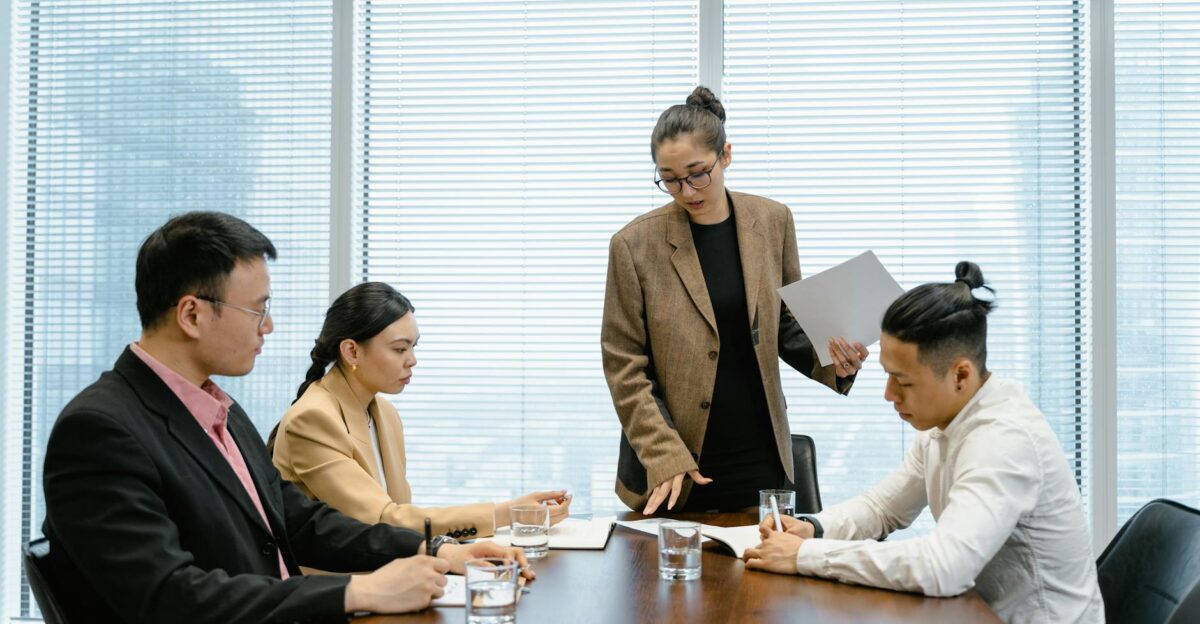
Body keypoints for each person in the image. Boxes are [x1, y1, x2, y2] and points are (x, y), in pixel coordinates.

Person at [41, 212, 529, 624]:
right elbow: (169, 596)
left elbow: (302, 523)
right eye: (258, 309)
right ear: (192, 315)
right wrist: (356, 593)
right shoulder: (101, 430)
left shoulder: (220, 413)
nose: (268, 326)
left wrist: (436, 550)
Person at [743, 262, 1104, 623]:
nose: (889, 395)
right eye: (888, 375)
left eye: (904, 381)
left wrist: (806, 554)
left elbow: (942, 568)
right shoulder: (947, 421)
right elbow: (884, 508)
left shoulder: (1003, 441)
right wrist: (813, 528)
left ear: (960, 374)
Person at [601, 86, 868, 514]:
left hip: (759, 452)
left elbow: (785, 324)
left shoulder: (773, 220)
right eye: (668, 180)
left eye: (697, 172)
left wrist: (834, 361)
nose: (686, 191)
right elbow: (623, 362)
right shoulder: (634, 245)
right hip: (675, 464)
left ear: (725, 155)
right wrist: (663, 453)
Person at [270, 281, 571, 540]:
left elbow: (401, 516)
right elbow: (383, 521)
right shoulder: (313, 419)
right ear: (351, 351)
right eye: (400, 349)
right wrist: (509, 513)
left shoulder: (384, 413)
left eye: (414, 347)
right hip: (339, 590)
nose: (412, 360)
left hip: (387, 573)